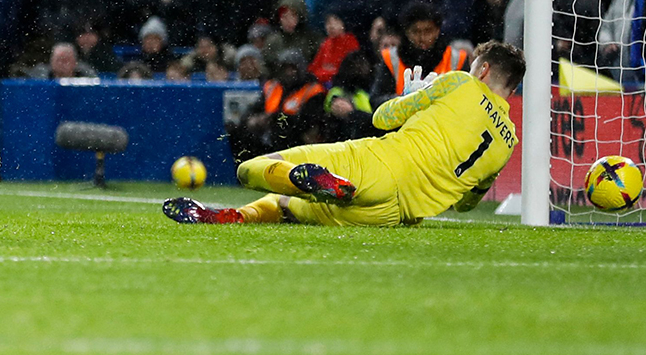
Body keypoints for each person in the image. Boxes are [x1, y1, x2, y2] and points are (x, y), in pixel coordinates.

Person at [164, 41, 525, 227]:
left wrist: (411, 98)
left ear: (483, 70)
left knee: (251, 170)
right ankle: (233, 217)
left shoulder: (460, 83)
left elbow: (383, 118)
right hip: (393, 214)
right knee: (291, 207)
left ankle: (327, 182)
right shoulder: (508, 141)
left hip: (380, 164)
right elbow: (465, 204)